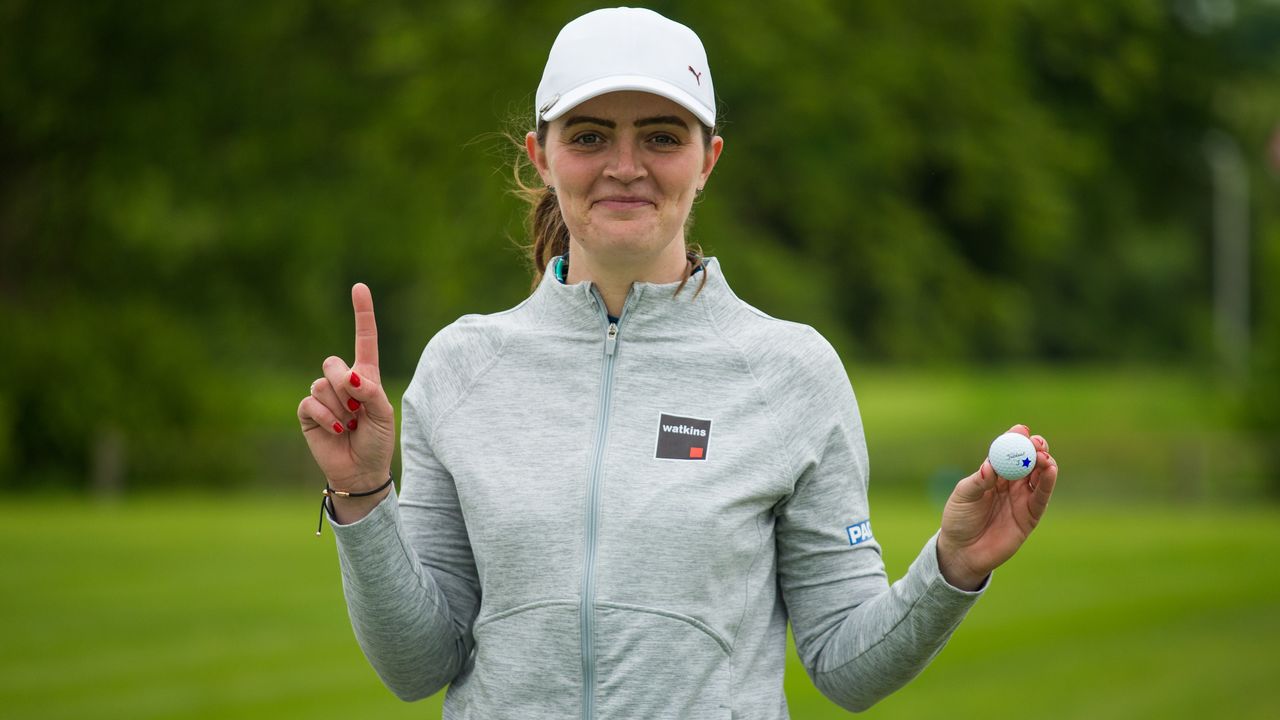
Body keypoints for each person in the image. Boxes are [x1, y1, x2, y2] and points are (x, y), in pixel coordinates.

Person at [296, 7, 1058, 719]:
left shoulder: (790, 371)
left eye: (661, 137)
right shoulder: (463, 365)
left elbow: (843, 663)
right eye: (590, 136)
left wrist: (951, 568)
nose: (625, 166)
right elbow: (418, 666)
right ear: (542, 153)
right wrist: (362, 492)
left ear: (708, 159)